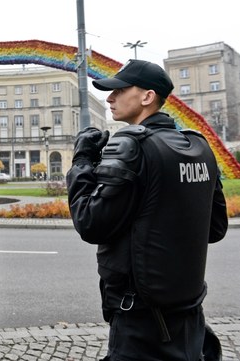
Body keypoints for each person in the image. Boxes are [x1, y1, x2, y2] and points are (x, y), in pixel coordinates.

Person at [66, 60, 228, 360]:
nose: (110, 98)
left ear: (147, 97)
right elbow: (216, 228)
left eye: (119, 90)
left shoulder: (131, 146)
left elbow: (90, 223)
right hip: (188, 308)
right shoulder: (198, 145)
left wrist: (82, 161)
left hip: (140, 315)